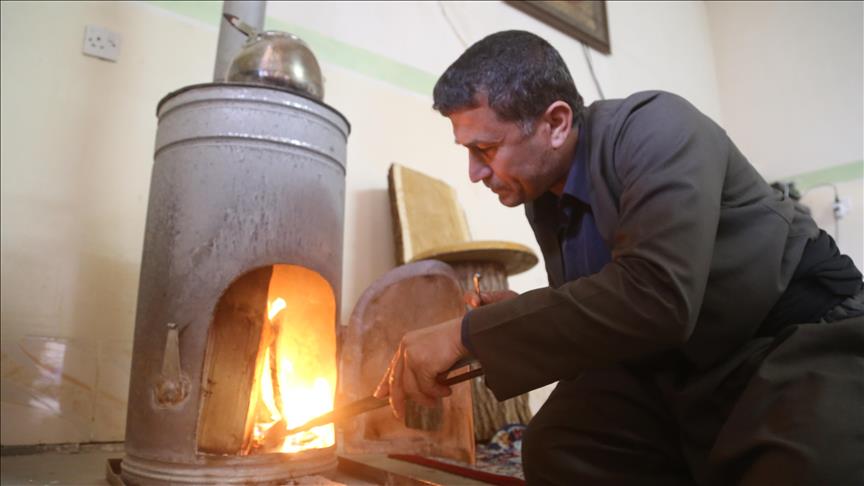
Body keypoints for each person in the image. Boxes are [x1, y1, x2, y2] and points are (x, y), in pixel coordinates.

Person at [373, 30, 864, 485]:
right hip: (682, 361)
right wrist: (514, 316)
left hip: (792, 337)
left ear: (556, 123)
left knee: (801, 470)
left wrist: (463, 334)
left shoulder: (658, 127)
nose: (474, 172)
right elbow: (609, 301)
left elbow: (657, 295)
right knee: (559, 444)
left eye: (485, 148)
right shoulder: (543, 196)